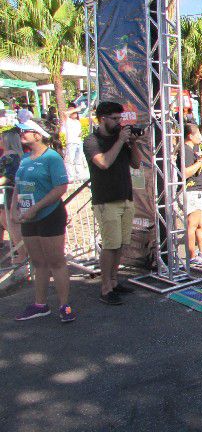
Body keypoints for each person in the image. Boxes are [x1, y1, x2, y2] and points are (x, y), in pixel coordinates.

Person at [13, 120, 74, 322]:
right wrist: (15, 209)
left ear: (38, 134)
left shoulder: (52, 158)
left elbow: (60, 188)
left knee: (56, 261)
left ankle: (64, 305)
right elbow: (18, 186)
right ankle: (40, 304)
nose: (21, 133)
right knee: (38, 262)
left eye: (25, 131)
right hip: (28, 218)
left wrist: (35, 209)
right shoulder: (25, 159)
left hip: (49, 215)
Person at [84, 102, 141, 305]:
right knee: (110, 245)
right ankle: (105, 287)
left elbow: (136, 163)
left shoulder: (121, 139)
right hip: (106, 200)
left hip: (125, 197)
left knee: (121, 244)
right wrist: (120, 141)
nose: (119, 123)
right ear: (102, 119)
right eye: (115, 119)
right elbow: (104, 162)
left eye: (120, 119)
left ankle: (115, 281)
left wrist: (132, 143)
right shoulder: (92, 141)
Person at [181, 124, 202, 265]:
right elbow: (185, 172)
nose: (201, 138)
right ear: (190, 135)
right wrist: (200, 161)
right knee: (192, 224)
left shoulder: (193, 149)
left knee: (201, 223)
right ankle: (192, 255)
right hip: (192, 191)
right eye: (198, 135)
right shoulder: (185, 150)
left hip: (199, 190)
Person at [0, 129, 27, 266]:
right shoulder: (17, 155)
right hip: (10, 194)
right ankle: (22, 254)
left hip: (10, 195)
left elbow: (8, 176)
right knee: (11, 225)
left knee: (13, 226)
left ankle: (22, 255)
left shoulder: (10, 156)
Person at [63, 108, 87, 183]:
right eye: (74, 113)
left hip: (78, 142)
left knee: (78, 160)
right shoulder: (68, 120)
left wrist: (81, 134)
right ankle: (71, 177)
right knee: (70, 160)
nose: (75, 114)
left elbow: (79, 132)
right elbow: (65, 113)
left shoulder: (77, 122)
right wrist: (77, 108)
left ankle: (79, 176)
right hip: (71, 142)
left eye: (76, 113)